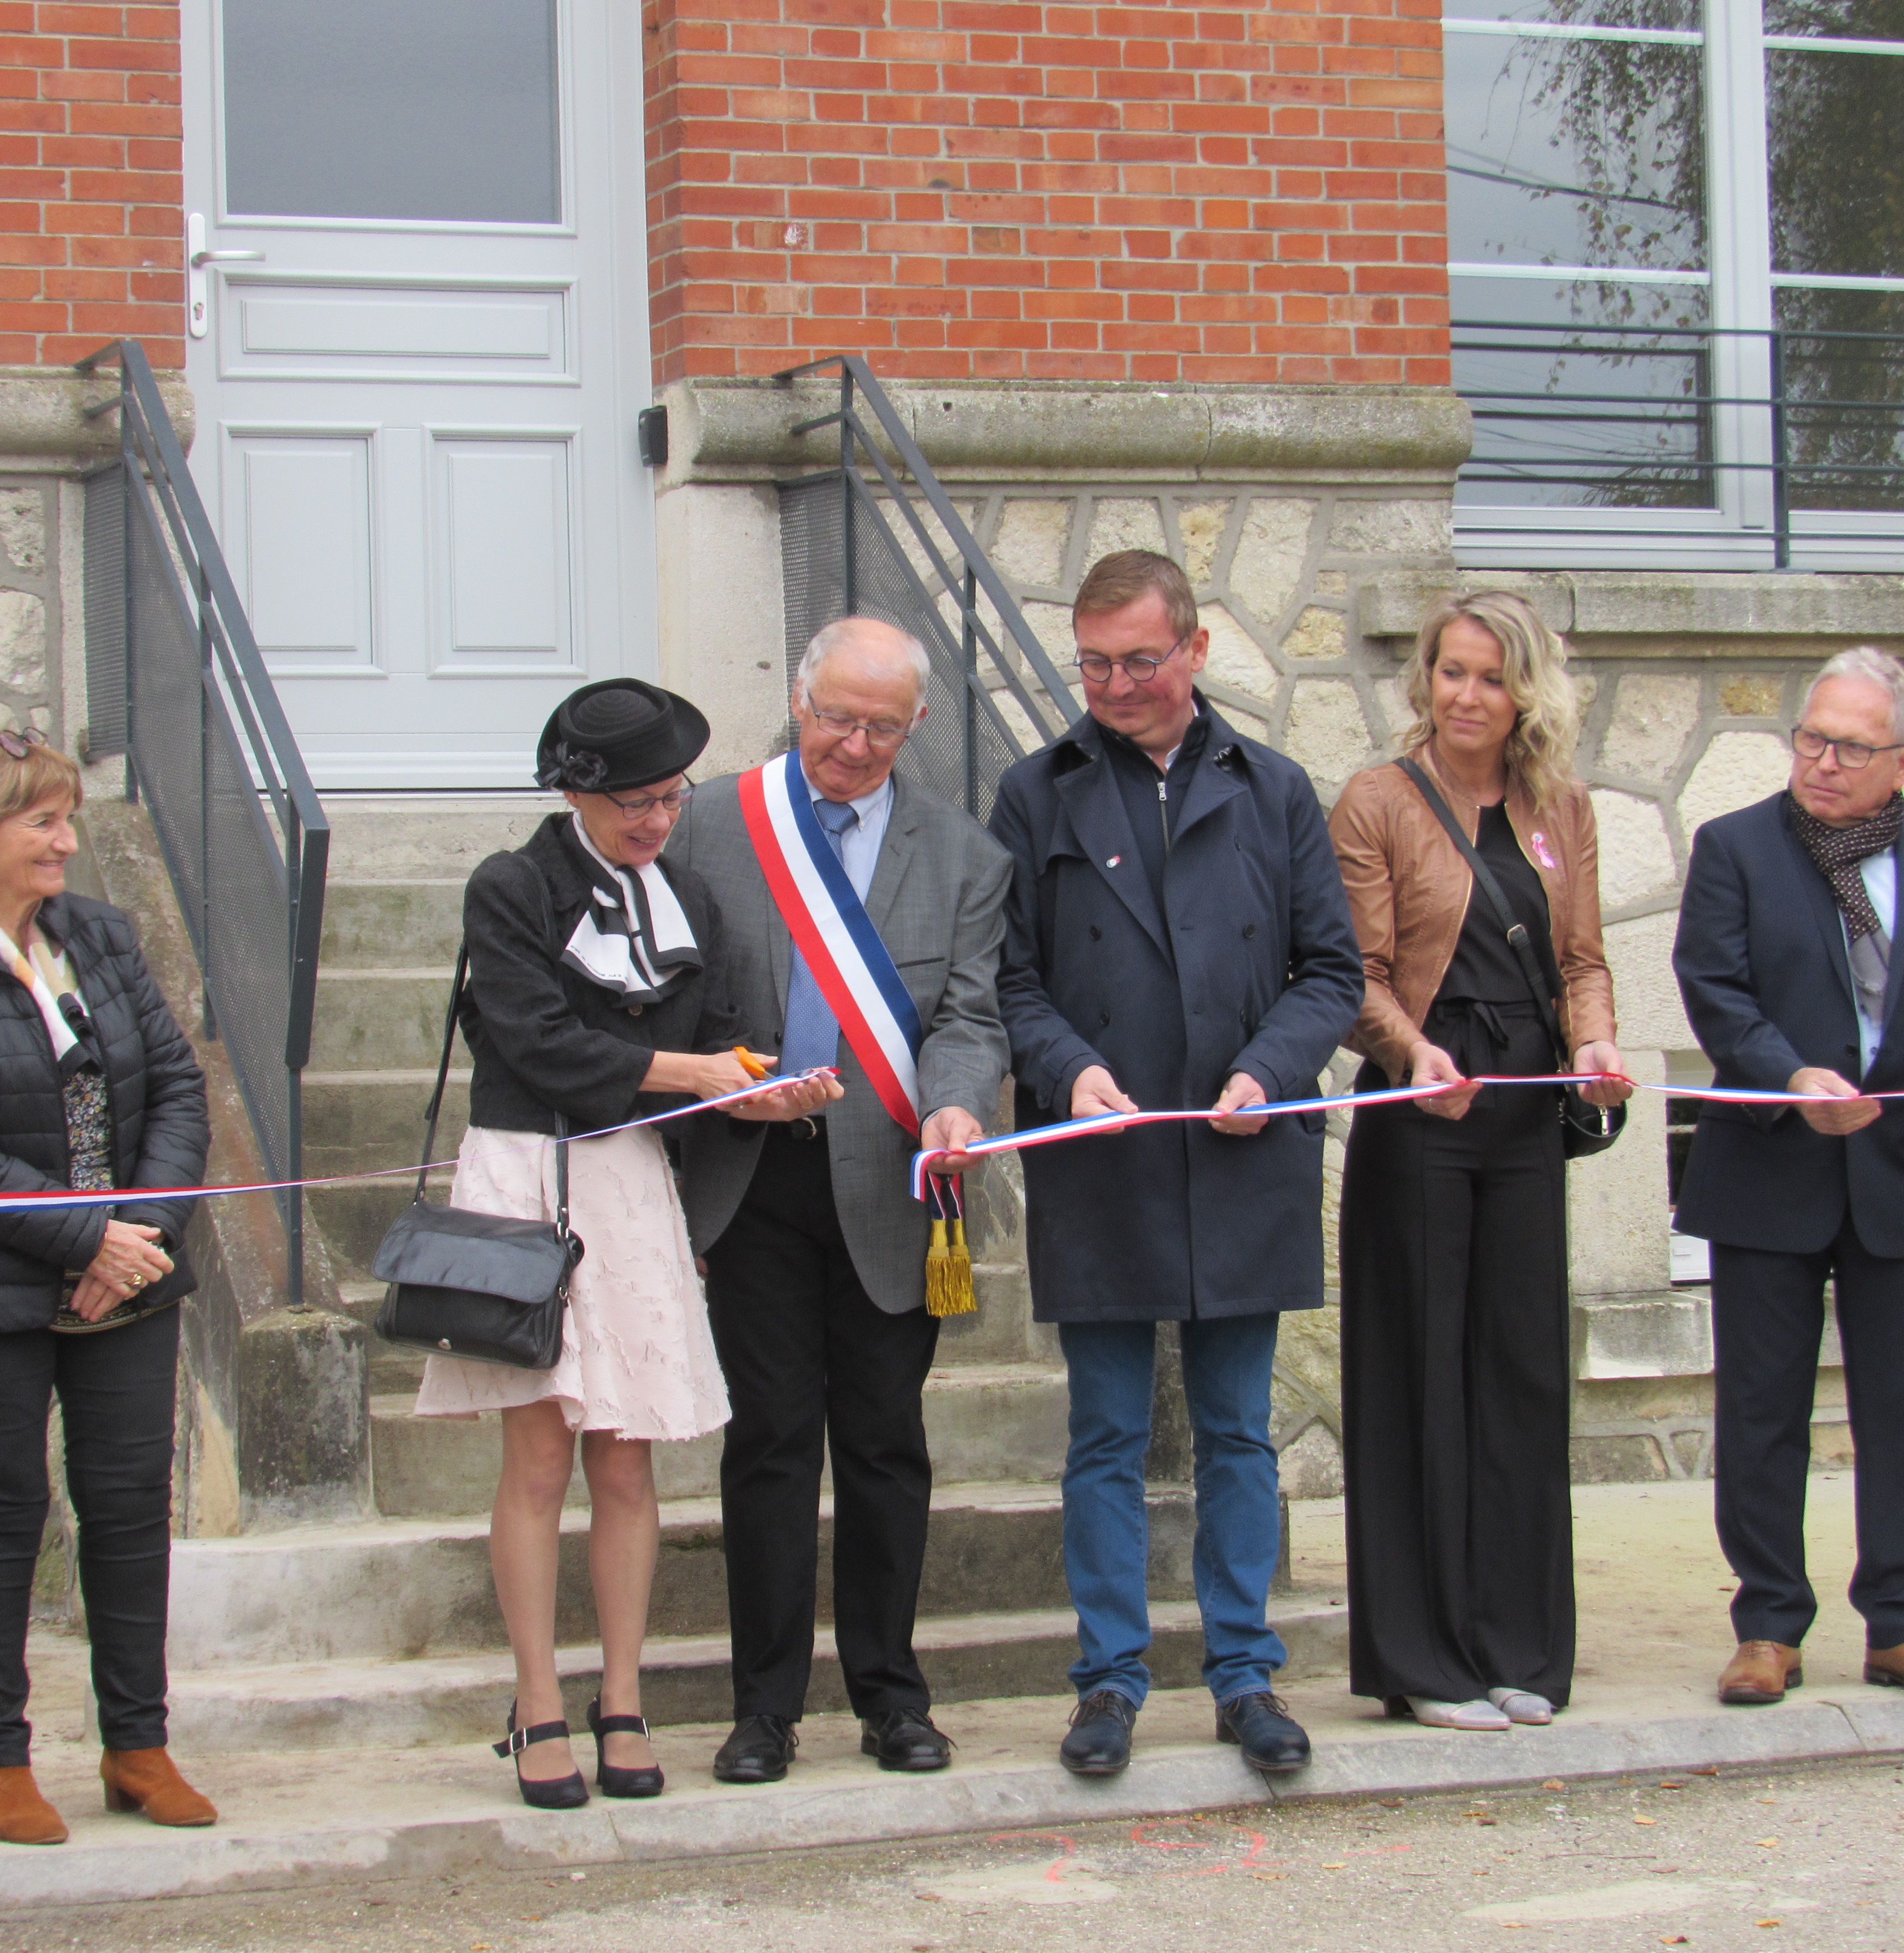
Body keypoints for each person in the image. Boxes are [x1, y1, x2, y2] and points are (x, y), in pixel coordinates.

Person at [416, 679, 837, 1807]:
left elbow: (710, 1052)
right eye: (636, 802)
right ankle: (539, 1704)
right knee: (542, 1457)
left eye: (671, 796)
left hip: (636, 1186)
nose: (658, 818)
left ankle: (625, 1701)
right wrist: (691, 1075)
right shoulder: (509, 888)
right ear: (577, 792)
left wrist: (756, 1093)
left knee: (628, 1457)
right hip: (526, 1174)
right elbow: (538, 1043)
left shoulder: (688, 892)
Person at [990, 549, 1364, 1778]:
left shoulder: (1277, 790)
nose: (1112, 685)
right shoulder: (1035, 794)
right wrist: (1064, 1068)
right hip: (1100, 1162)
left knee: (1236, 1433)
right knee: (1102, 1435)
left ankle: (1246, 1674)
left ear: (1194, 651)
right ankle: (1106, 1682)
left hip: (1246, 1156)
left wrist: (1270, 1067)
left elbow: (1332, 974)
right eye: (1093, 664)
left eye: (1137, 661)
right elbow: (1011, 981)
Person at [668, 617, 1013, 1783]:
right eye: (834, 718)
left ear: (918, 726)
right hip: (752, 1179)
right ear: (798, 700)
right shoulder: (713, 824)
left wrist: (960, 1105)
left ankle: (891, 1697)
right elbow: (674, 1002)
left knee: (883, 1445)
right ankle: (763, 1709)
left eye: (881, 726)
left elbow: (970, 1015)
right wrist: (719, 1086)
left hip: (896, 1187)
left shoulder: (963, 853)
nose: (853, 747)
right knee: (769, 1445)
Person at [0, 728, 215, 1844]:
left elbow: (174, 1086)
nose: (68, 842)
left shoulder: (101, 938)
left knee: (127, 1512)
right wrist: (85, 1241)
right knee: (4, 1512)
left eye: (66, 819)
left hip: (129, 1280)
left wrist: (139, 1238)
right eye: (44, 823)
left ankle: (138, 1744)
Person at [1673, 649, 1904, 1708]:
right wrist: (1790, 1076)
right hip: (1772, 1165)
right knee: (1764, 1409)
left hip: (1901, 1172)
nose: (1822, 763)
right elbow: (1716, 992)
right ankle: (1770, 1623)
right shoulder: (1736, 847)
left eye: (1851, 748)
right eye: (1811, 738)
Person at [1327, 591, 1627, 1731]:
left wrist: (1596, 1040)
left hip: (1524, 1116)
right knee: (1418, 1382)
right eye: (1450, 672)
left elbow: (1584, 956)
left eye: (1489, 678)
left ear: (1526, 694)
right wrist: (1410, 1051)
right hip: (1423, 1111)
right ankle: (1423, 1661)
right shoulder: (1378, 802)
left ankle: (1519, 1649)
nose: (1465, 695)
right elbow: (1353, 974)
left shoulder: (1563, 807)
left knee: (1520, 1377)